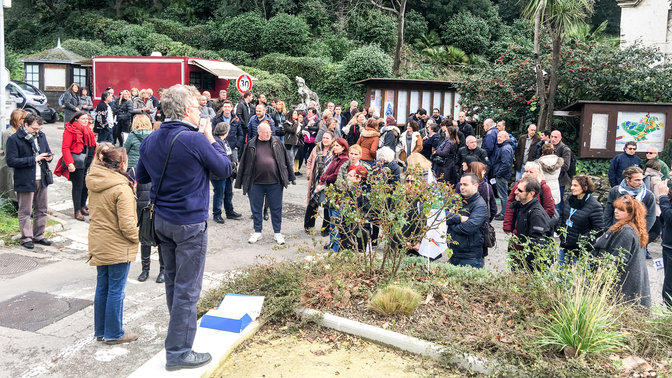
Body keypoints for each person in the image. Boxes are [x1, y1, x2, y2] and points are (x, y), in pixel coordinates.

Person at [135, 84, 232, 371]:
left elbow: (141, 175)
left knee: (175, 284)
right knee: (188, 290)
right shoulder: (195, 139)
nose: (201, 109)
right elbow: (225, 169)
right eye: (198, 105)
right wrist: (210, 137)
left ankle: (177, 338)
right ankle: (178, 351)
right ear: (188, 110)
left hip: (162, 220)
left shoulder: (151, 139)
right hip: (189, 222)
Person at [86, 144, 140, 344]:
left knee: (103, 287)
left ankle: (101, 330)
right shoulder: (120, 188)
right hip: (117, 243)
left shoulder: (95, 180)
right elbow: (127, 225)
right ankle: (114, 333)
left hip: (99, 240)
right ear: (122, 164)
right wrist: (138, 237)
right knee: (116, 289)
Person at [236, 122, 295, 245]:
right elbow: (244, 163)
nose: (268, 134)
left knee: (276, 208)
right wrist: (239, 181)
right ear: (259, 132)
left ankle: (277, 232)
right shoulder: (251, 144)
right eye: (265, 132)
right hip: (255, 183)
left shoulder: (277, 142)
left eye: (269, 132)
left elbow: (285, 160)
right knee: (256, 208)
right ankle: (257, 231)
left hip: (275, 183)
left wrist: (290, 176)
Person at [124, 114, 163, 283]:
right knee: (154, 232)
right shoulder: (155, 138)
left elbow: (124, 153)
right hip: (149, 183)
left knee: (148, 232)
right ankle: (160, 270)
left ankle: (147, 270)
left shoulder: (133, 137)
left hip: (139, 181)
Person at [5, 114, 54, 249]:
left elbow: (47, 151)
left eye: (39, 128)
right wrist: (34, 159)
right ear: (25, 125)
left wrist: (49, 157)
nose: (37, 131)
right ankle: (26, 238)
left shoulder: (41, 135)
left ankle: (39, 235)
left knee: (42, 209)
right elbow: (11, 161)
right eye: (34, 128)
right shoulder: (14, 139)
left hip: (42, 177)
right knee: (25, 210)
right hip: (25, 179)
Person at [594, 195, 651, 308]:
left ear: (630, 213)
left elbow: (618, 261)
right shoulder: (626, 227)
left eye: (621, 209)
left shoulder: (626, 231)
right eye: (615, 208)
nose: (616, 211)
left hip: (625, 286)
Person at [54, 111, 98, 221]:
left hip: (88, 158)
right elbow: (65, 148)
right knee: (78, 185)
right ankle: (77, 210)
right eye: (83, 119)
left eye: (87, 119)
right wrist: (69, 163)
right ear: (76, 119)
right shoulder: (70, 129)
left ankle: (83, 206)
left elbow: (92, 143)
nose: (85, 121)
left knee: (86, 184)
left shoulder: (87, 128)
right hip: (77, 160)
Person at [312, 138, 350, 248]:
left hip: (337, 192)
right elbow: (327, 172)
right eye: (334, 145)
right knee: (330, 217)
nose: (335, 147)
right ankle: (332, 241)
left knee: (335, 219)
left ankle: (336, 245)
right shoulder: (335, 157)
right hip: (330, 191)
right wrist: (324, 178)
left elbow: (335, 175)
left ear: (343, 148)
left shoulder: (344, 159)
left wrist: (325, 178)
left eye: (337, 145)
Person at [446, 173, 488, 268]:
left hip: (470, 257)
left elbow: (469, 228)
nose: (462, 187)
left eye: (465, 184)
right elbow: (442, 215)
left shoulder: (480, 205)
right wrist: (459, 218)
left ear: (475, 186)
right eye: (460, 184)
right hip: (454, 253)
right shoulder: (456, 200)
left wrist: (451, 223)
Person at [559, 175, 604, 263]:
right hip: (565, 246)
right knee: (560, 274)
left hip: (581, 251)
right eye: (572, 185)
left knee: (578, 275)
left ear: (585, 187)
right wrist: (559, 230)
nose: (572, 188)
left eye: (575, 185)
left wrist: (581, 239)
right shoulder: (570, 198)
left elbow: (599, 229)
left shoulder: (594, 206)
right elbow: (562, 215)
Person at [509, 177, 551, 271]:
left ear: (531, 193)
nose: (515, 192)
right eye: (516, 188)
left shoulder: (536, 214)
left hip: (529, 266)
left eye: (520, 190)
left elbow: (537, 243)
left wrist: (525, 266)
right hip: (519, 259)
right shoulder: (522, 207)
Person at [503, 161, 556, 234]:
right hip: (518, 227)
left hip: (535, 226)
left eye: (531, 172)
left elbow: (549, 209)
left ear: (538, 173)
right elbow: (510, 204)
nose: (528, 174)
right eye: (526, 171)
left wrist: (536, 222)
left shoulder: (544, 188)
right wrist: (507, 225)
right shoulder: (518, 186)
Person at [604, 166, 656, 232]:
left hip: (636, 232)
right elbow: (608, 212)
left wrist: (640, 233)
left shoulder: (648, 195)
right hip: (616, 229)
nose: (640, 183)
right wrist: (608, 229)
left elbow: (651, 217)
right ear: (627, 179)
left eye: (641, 179)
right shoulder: (616, 191)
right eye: (637, 180)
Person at [304, 131, 335, 235]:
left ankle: (325, 229)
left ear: (332, 140)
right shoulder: (316, 148)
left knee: (327, 204)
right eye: (324, 138)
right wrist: (308, 173)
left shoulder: (334, 150)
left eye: (327, 138)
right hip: (316, 180)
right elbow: (309, 161)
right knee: (313, 202)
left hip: (328, 182)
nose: (325, 140)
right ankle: (309, 226)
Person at [210, 122, 236, 224]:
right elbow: (219, 158)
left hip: (228, 171)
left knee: (229, 192)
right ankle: (217, 214)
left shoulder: (224, 140)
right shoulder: (215, 141)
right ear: (226, 131)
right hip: (218, 173)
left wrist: (234, 161)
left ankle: (230, 211)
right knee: (219, 194)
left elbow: (229, 153)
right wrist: (232, 164)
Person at [1, 109, 27, 204]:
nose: (25, 121)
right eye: (23, 118)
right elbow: (7, 151)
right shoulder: (8, 133)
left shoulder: (22, 131)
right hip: (10, 164)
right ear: (17, 119)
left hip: (20, 163)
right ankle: (16, 207)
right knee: (11, 186)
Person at [492, 131, 514, 220]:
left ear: (506, 138)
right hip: (501, 174)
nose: (498, 138)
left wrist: (498, 174)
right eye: (498, 137)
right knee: (502, 194)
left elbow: (506, 164)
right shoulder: (504, 147)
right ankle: (502, 212)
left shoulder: (505, 148)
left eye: (500, 137)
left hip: (502, 175)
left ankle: (504, 214)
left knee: (503, 195)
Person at [657, 180, 672, 306]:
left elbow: (670, 218)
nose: (670, 174)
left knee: (669, 288)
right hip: (668, 244)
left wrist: (662, 197)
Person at [550, 130, 573, 212]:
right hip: (549, 180)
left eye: (555, 137)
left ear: (560, 138)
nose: (553, 139)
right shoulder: (548, 146)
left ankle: (559, 222)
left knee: (557, 204)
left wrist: (551, 166)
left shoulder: (565, 149)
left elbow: (565, 166)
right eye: (551, 136)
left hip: (560, 180)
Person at [283, 109, 303, 176]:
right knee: (290, 159)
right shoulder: (286, 123)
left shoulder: (297, 123)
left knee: (293, 158)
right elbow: (292, 130)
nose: (296, 115)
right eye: (294, 113)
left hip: (296, 143)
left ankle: (290, 173)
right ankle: (290, 174)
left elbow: (298, 133)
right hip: (289, 143)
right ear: (291, 115)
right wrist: (296, 123)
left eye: (296, 113)